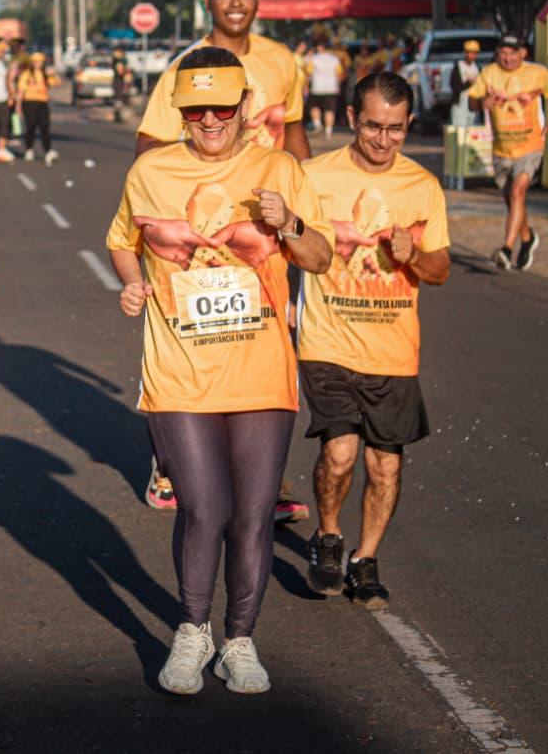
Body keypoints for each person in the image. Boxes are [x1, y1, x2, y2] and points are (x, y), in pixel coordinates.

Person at [108, 47, 333, 696]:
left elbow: (318, 257)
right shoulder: (151, 170)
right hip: (179, 368)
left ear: (243, 107)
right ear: (180, 109)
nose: (208, 119)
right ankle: (191, 630)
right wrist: (131, 286)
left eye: (221, 107)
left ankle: (238, 638)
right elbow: (124, 241)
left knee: (253, 513)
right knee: (204, 506)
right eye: (194, 108)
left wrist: (286, 223)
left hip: (261, 366)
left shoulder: (277, 166)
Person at [134, 0, 312, 520]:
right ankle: (170, 457)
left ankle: (268, 475)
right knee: (193, 335)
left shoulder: (283, 61)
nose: (236, 3)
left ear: (258, 2)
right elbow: (149, 149)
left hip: (265, 230)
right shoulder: (184, 67)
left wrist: (304, 210)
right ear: (207, 2)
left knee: (269, 341)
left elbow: (296, 138)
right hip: (196, 223)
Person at [299, 72, 450, 609]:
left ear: (409, 125)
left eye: (395, 129)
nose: (383, 140)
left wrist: (414, 254)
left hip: (393, 348)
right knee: (339, 452)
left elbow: (440, 270)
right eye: (372, 127)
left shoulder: (423, 187)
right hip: (327, 340)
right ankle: (330, 535)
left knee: (384, 463)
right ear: (350, 120)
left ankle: (365, 559)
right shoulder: (313, 177)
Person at [467, 32, 548, 271]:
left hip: (531, 145)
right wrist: (483, 104)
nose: (507, 58)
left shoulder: (538, 73)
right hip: (501, 148)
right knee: (512, 199)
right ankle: (527, 238)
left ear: (523, 53)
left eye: (513, 53)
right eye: (503, 52)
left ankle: (506, 248)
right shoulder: (490, 72)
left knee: (518, 190)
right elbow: (471, 99)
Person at [15, 51, 59, 164]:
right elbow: (20, 90)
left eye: (39, 62)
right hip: (29, 102)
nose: (37, 63)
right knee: (31, 127)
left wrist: (53, 74)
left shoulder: (45, 73)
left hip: (42, 103)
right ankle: (29, 149)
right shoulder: (27, 73)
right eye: (35, 61)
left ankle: (48, 151)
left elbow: (56, 83)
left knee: (45, 127)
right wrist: (18, 105)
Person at [307, 38, 345, 140]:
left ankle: (318, 124)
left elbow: (309, 73)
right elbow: (339, 74)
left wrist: (307, 85)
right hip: (331, 88)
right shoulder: (334, 59)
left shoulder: (314, 59)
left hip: (317, 87)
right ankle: (328, 132)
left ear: (319, 47)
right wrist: (338, 86)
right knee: (330, 110)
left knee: (314, 106)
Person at [449, 39, 482, 129]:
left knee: (473, 127)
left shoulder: (477, 67)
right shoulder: (458, 66)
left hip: (473, 103)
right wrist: (468, 83)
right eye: (470, 53)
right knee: (460, 128)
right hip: (460, 103)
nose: (472, 55)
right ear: (465, 53)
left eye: (475, 53)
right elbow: (454, 86)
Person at [111, 45, 135, 124]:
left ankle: (119, 116)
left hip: (121, 83)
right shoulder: (119, 60)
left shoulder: (120, 60)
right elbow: (120, 71)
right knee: (119, 100)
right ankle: (119, 116)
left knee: (120, 100)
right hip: (119, 83)